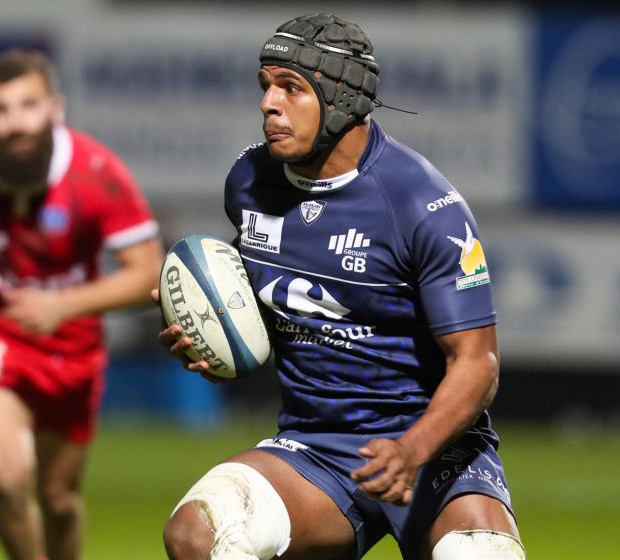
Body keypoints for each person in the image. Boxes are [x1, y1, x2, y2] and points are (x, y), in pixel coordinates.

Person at [160, 13, 524, 560]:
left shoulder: (423, 206)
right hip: (316, 449)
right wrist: (206, 331)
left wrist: (412, 448)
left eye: (291, 88)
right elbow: (266, 300)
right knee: (198, 533)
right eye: (265, 86)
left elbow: (478, 365)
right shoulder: (249, 182)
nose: (268, 104)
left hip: (435, 449)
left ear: (342, 101)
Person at [0, 49, 163, 560]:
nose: (15, 122)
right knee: (8, 477)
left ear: (56, 108)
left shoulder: (96, 173)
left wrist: (62, 306)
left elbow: (148, 272)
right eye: (0, 109)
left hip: (72, 349)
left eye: (28, 105)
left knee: (59, 499)